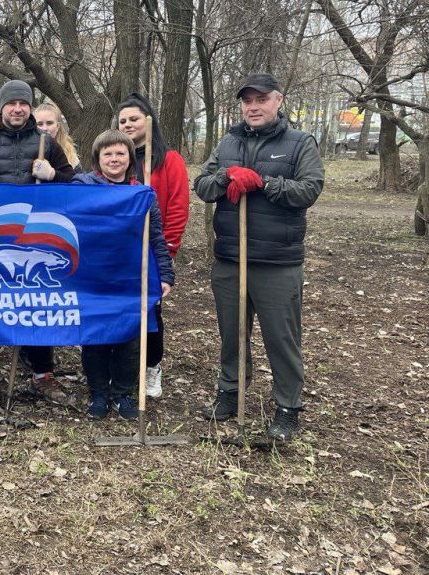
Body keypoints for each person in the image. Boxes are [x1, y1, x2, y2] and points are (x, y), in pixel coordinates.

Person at [194, 72, 324, 441]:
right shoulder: (228, 142)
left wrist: (264, 183)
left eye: (261, 99)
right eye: (247, 101)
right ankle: (231, 391)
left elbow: (309, 190)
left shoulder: (300, 143)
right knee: (232, 333)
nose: (253, 106)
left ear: (278, 101)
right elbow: (202, 185)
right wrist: (225, 178)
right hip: (231, 257)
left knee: (281, 337)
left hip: (277, 260)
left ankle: (287, 406)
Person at [0, 80, 74, 401]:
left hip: (36, 237)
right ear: (1, 106)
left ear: (30, 108)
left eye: (23, 104)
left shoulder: (45, 143)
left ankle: (43, 373)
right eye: (11, 103)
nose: (17, 109)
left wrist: (53, 174)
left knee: (36, 306)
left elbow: (71, 183)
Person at [72, 130, 175, 419]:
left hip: (131, 277)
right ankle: (99, 395)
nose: (114, 159)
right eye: (108, 154)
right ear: (97, 159)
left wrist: (165, 273)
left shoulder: (142, 194)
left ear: (130, 158)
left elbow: (156, 236)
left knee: (130, 341)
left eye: (120, 153)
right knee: (96, 339)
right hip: (94, 277)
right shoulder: (83, 188)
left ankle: (123, 394)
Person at [115, 92, 189, 398]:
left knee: (150, 312)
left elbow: (177, 207)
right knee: (120, 310)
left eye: (134, 119)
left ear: (148, 121)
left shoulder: (169, 160)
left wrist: (166, 253)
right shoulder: (117, 158)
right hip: (120, 252)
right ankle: (120, 370)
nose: (129, 125)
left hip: (151, 250)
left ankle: (152, 366)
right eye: (123, 121)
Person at [34, 102, 81, 172]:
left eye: (49, 123)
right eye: (40, 124)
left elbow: (78, 181)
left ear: (58, 126)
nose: (44, 128)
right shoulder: (24, 150)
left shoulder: (70, 155)